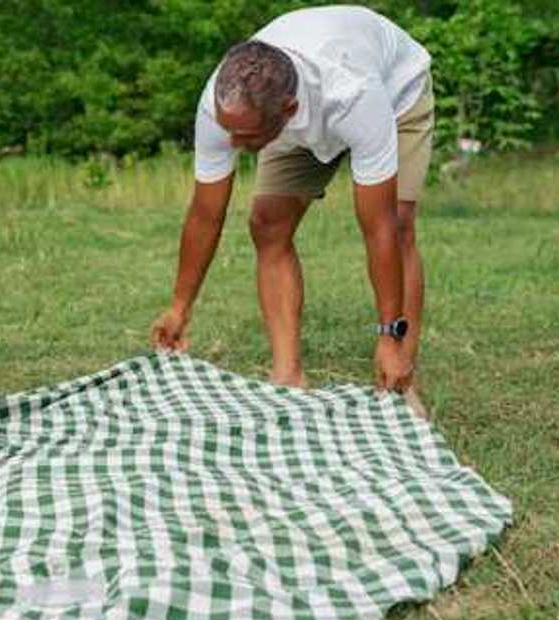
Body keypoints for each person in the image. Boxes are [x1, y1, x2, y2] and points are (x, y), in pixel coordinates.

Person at [150, 6, 433, 405]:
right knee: (267, 223)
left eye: (244, 136)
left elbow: (379, 226)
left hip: (395, 93)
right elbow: (205, 213)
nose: (231, 144)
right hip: (295, 111)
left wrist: (389, 334)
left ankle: (401, 377)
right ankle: (288, 375)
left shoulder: (354, 96)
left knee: (400, 224)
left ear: (288, 112)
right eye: (228, 130)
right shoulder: (226, 105)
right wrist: (180, 307)